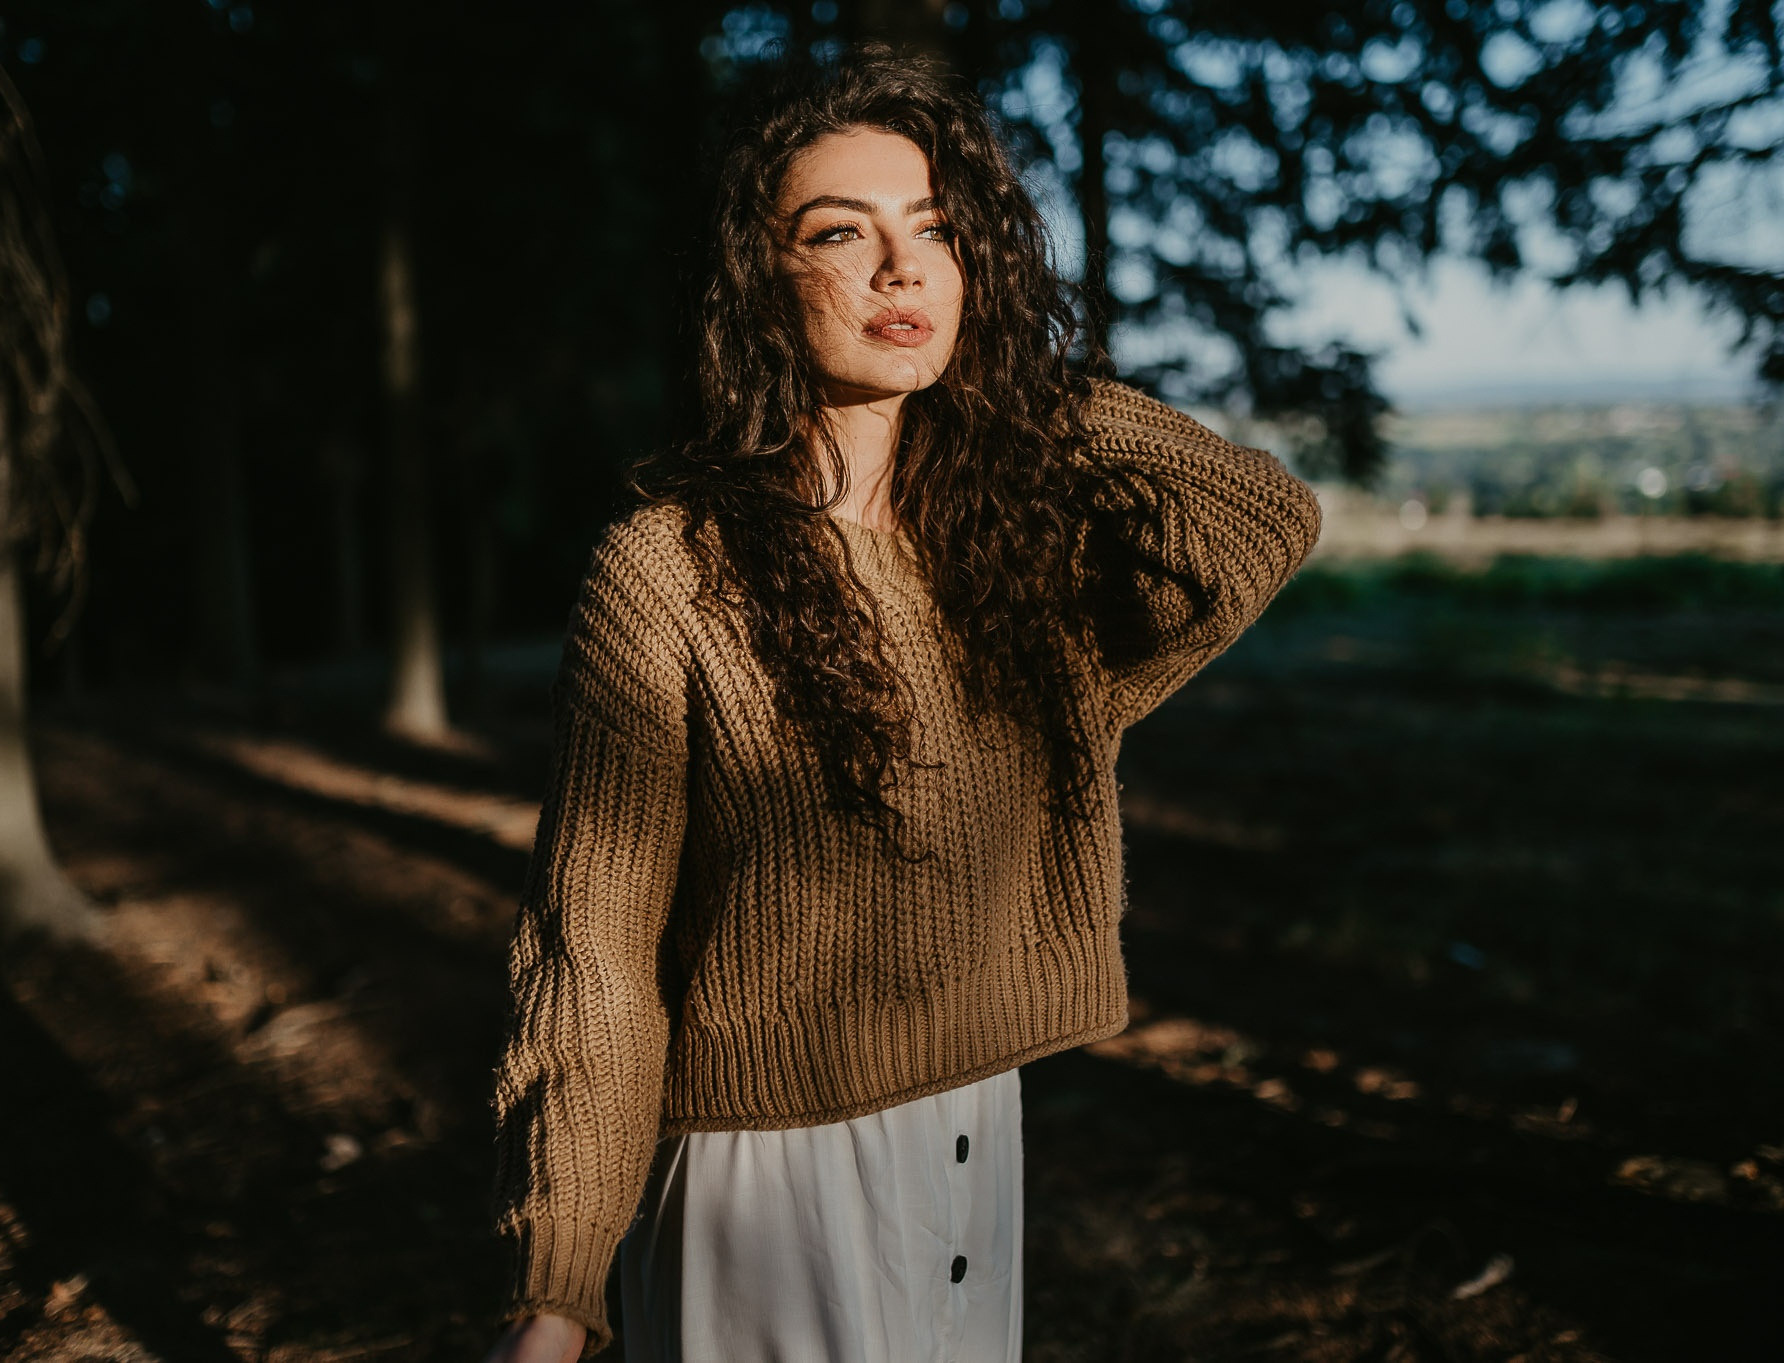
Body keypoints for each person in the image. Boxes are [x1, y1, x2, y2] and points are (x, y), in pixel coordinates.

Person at [481, 47, 1321, 1363]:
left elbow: (1257, 523)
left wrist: (1017, 383)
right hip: (765, 1178)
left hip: (971, 1128)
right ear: (759, 281)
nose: (901, 268)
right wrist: (556, 1286)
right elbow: (595, 950)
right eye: (840, 232)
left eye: (936, 231)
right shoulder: (667, 564)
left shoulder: (1004, 553)